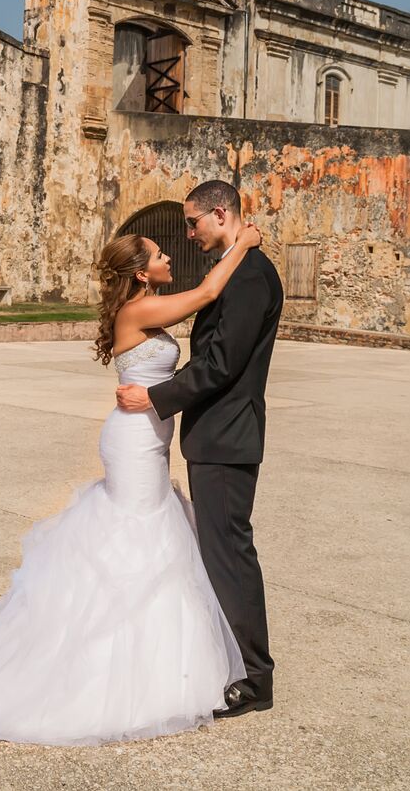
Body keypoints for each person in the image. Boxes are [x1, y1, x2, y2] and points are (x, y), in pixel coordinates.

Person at [0, 221, 261, 745]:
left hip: (147, 438)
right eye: (162, 254)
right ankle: (110, 660)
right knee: (139, 535)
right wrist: (245, 245)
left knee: (149, 533)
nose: (170, 258)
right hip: (133, 443)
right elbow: (208, 292)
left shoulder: (141, 309)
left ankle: (150, 653)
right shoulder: (138, 310)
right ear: (141, 274)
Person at [117, 180, 283, 719]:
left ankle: (255, 678)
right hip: (217, 434)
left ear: (220, 213)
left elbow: (220, 366)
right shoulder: (239, 269)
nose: (187, 234)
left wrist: (155, 397)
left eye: (192, 223)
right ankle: (234, 661)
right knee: (218, 551)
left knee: (229, 554)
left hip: (227, 437)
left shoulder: (251, 278)